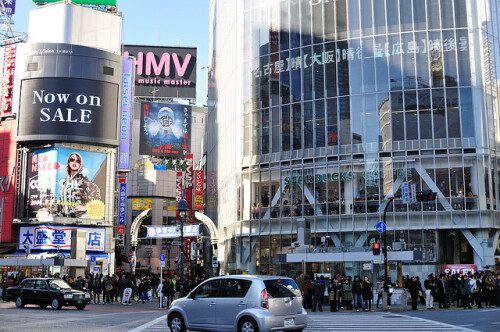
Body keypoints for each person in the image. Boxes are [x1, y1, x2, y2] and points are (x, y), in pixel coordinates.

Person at [58, 152, 101, 218]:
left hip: (79, 219)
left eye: (78, 161)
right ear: (68, 162)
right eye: (72, 160)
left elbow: (96, 196)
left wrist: (85, 207)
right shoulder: (65, 182)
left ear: (80, 165)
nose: (74, 162)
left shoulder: (83, 181)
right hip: (65, 219)